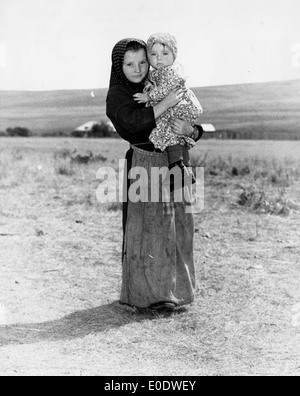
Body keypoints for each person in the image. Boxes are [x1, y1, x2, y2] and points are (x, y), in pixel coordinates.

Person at [106, 38, 203, 313]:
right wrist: (165, 102)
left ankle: (178, 293)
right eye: (129, 64)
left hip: (177, 160)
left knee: (180, 227)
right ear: (118, 66)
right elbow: (133, 126)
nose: (137, 69)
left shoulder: (160, 81)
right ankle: (148, 297)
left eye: (141, 62)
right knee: (149, 230)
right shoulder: (118, 95)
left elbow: (189, 120)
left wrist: (191, 131)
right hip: (145, 163)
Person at [133, 33, 203, 186]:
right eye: (153, 54)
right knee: (174, 134)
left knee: (170, 131)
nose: (159, 58)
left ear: (174, 55)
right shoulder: (155, 73)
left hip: (180, 107)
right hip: (174, 107)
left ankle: (178, 169)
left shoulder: (171, 72)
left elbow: (165, 89)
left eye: (165, 53)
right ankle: (183, 169)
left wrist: (148, 96)